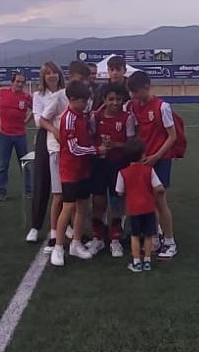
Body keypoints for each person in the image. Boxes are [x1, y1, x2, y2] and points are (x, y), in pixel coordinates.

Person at [39, 60, 92, 254]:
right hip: (59, 150)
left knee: (78, 200)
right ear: (71, 77)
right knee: (60, 195)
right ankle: (55, 236)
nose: (83, 83)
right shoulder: (59, 97)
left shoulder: (86, 97)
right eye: (80, 78)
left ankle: (75, 238)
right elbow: (43, 119)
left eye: (85, 80)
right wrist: (55, 131)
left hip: (78, 153)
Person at [50, 81, 103, 267]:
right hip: (70, 170)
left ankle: (76, 243)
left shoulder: (83, 116)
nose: (86, 104)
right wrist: (96, 150)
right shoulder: (69, 118)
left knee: (82, 206)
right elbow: (73, 148)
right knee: (68, 207)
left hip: (83, 170)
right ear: (72, 100)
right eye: (83, 101)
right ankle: (58, 247)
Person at [128, 71, 178, 259]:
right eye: (131, 92)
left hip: (161, 159)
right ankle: (155, 238)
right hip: (144, 160)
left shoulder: (162, 107)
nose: (133, 96)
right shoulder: (134, 106)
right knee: (148, 200)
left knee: (160, 199)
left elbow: (172, 136)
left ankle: (170, 242)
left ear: (147, 87)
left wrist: (157, 155)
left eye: (136, 92)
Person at [86, 83, 135, 258]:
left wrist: (116, 145)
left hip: (118, 165)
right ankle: (98, 238)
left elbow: (130, 144)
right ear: (104, 100)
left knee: (117, 203)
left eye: (119, 99)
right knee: (98, 202)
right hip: (99, 165)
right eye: (111, 99)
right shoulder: (95, 117)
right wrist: (98, 147)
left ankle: (115, 239)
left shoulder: (127, 118)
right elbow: (89, 139)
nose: (115, 103)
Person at [25, 62, 65, 244]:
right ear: (43, 76)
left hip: (65, 138)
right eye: (48, 73)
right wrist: (53, 129)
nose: (52, 76)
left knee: (65, 183)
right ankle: (35, 226)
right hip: (45, 139)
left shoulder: (66, 93)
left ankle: (67, 223)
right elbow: (37, 121)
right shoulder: (38, 95)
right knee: (42, 182)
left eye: (54, 72)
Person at [116, 138, 165, 273]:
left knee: (135, 236)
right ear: (143, 155)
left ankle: (137, 261)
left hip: (133, 210)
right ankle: (147, 261)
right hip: (149, 208)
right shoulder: (149, 170)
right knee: (149, 235)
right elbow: (159, 188)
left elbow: (119, 192)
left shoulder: (122, 173)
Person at [0, 72, 33, 202]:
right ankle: (1, 192)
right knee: (3, 166)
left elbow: (36, 109)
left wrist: (26, 121)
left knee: (24, 164)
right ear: (12, 82)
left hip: (20, 135)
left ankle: (28, 190)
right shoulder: (2, 92)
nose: (20, 84)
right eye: (17, 81)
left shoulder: (26, 97)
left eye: (22, 82)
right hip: (5, 135)